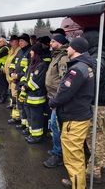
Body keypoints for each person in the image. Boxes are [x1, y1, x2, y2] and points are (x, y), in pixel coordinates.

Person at [49, 37, 95, 189]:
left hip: (74, 119)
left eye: (70, 47)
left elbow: (64, 93)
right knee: (76, 154)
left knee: (73, 158)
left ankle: (77, 185)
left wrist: (53, 103)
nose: (67, 49)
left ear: (75, 49)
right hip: (79, 116)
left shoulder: (77, 69)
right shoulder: (84, 66)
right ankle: (76, 180)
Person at [81, 30, 105, 183]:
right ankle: (102, 164)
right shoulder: (103, 56)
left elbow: (92, 84)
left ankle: (93, 172)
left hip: (96, 105)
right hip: (103, 105)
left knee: (94, 138)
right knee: (101, 136)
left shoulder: (95, 60)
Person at [43, 34, 69, 168]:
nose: (50, 43)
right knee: (54, 125)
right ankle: (56, 150)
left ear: (60, 43)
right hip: (53, 97)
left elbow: (64, 82)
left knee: (56, 126)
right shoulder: (56, 56)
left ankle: (58, 155)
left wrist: (57, 100)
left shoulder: (63, 58)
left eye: (53, 41)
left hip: (58, 99)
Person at [20, 43, 48, 144]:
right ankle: (33, 134)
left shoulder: (41, 65)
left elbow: (36, 82)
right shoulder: (32, 64)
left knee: (36, 118)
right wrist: (22, 84)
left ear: (35, 53)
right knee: (31, 117)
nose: (30, 52)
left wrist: (25, 87)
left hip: (36, 98)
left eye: (32, 51)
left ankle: (37, 137)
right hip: (29, 96)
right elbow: (25, 76)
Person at [9, 33, 32, 129]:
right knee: (19, 103)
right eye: (19, 41)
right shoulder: (20, 52)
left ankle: (26, 124)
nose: (20, 43)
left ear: (27, 42)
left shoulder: (30, 52)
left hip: (24, 83)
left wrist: (18, 75)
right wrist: (11, 72)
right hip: (17, 81)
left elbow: (28, 69)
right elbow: (13, 63)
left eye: (22, 41)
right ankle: (22, 122)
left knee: (24, 104)